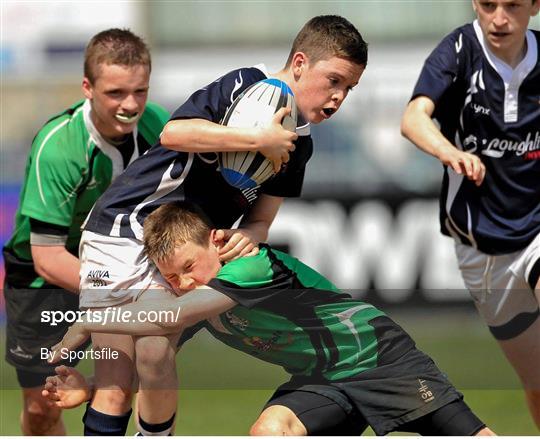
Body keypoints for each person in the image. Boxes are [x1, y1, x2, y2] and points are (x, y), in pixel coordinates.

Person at [76, 15, 367, 436]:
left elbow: (262, 219)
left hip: (179, 250)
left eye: (349, 89)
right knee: (117, 381)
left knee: (155, 354)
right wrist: (256, 141)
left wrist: (250, 234)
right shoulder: (245, 83)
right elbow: (175, 132)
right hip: (122, 228)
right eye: (334, 80)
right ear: (300, 63)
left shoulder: (299, 145)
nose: (339, 97)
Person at [47, 201, 495, 436]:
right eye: (171, 276)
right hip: (321, 380)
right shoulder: (198, 298)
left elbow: (172, 314)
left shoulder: (249, 265)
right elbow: (153, 368)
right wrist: (89, 387)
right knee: (269, 431)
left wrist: (91, 322)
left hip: (383, 361)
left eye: (189, 266)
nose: (183, 281)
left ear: (215, 241)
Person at [2, 29, 169, 435]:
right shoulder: (59, 147)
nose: (130, 105)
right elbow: (47, 256)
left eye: (140, 91)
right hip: (45, 279)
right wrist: (119, 289)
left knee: (126, 381)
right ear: (87, 88)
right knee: (45, 406)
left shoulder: (160, 127)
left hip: (116, 270)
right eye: (115, 93)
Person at [401, 0, 540, 428]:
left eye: (512, 5)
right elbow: (413, 118)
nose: (499, 18)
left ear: (535, 6)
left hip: (536, 228)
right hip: (483, 249)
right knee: (536, 381)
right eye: (487, 4)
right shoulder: (460, 50)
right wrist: (450, 152)